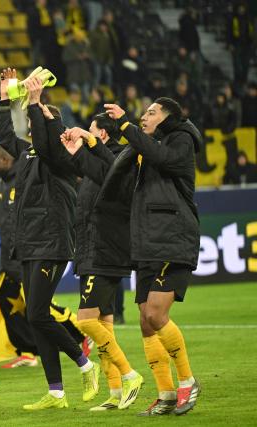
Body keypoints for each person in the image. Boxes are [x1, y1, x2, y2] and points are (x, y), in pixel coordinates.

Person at [0, 68, 98, 411]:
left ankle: (85, 364)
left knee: (38, 315)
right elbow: (5, 134)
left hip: (51, 240)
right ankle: (55, 392)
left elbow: (43, 137)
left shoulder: (61, 158)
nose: (34, 119)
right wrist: (5, 99)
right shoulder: (28, 155)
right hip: (30, 241)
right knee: (37, 317)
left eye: (41, 118)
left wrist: (38, 103)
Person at [104, 98, 202, 415]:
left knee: (157, 314)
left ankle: (187, 381)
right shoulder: (143, 147)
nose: (144, 116)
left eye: (151, 112)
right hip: (147, 242)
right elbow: (111, 168)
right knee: (147, 323)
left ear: (168, 117)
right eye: (144, 112)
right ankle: (166, 393)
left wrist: (125, 126)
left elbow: (163, 158)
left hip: (173, 237)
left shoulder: (181, 139)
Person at [60, 114, 144, 411]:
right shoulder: (96, 167)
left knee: (86, 321)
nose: (86, 136)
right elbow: (79, 163)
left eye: (92, 132)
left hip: (104, 252)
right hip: (90, 252)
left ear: (103, 136)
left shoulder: (118, 162)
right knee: (104, 325)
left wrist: (86, 144)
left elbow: (101, 168)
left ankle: (130, 374)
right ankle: (115, 391)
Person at [0, 145, 89, 369]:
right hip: (8, 257)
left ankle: (82, 333)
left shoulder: (27, 179)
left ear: (6, 160)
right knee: (9, 304)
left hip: (29, 253)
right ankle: (27, 351)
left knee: (38, 306)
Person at [227, 2, 254, 86]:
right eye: (240, 8)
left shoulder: (249, 18)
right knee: (237, 64)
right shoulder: (233, 18)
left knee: (245, 64)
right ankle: (237, 80)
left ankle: (244, 80)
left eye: (243, 8)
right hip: (236, 44)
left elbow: (251, 31)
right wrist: (230, 44)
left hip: (247, 44)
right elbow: (229, 32)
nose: (241, 10)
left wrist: (252, 43)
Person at [90, 20, 114, 88]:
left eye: (105, 26)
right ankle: (95, 90)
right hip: (96, 59)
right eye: (102, 26)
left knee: (108, 73)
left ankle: (108, 89)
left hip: (105, 60)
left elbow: (109, 49)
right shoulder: (94, 34)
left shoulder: (107, 35)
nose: (104, 28)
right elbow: (90, 47)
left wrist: (109, 60)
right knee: (97, 74)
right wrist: (93, 57)